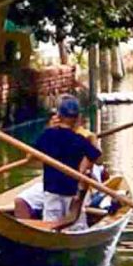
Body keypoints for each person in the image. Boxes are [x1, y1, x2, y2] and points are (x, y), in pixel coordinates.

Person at [16, 96, 102, 230]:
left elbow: (30, 157)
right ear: (77, 117)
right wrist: (81, 173)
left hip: (52, 191)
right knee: (77, 226)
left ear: (58, 115)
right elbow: (95, 155)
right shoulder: (79, 139)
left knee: (50, 224)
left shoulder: (47, 136)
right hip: (72, 191)